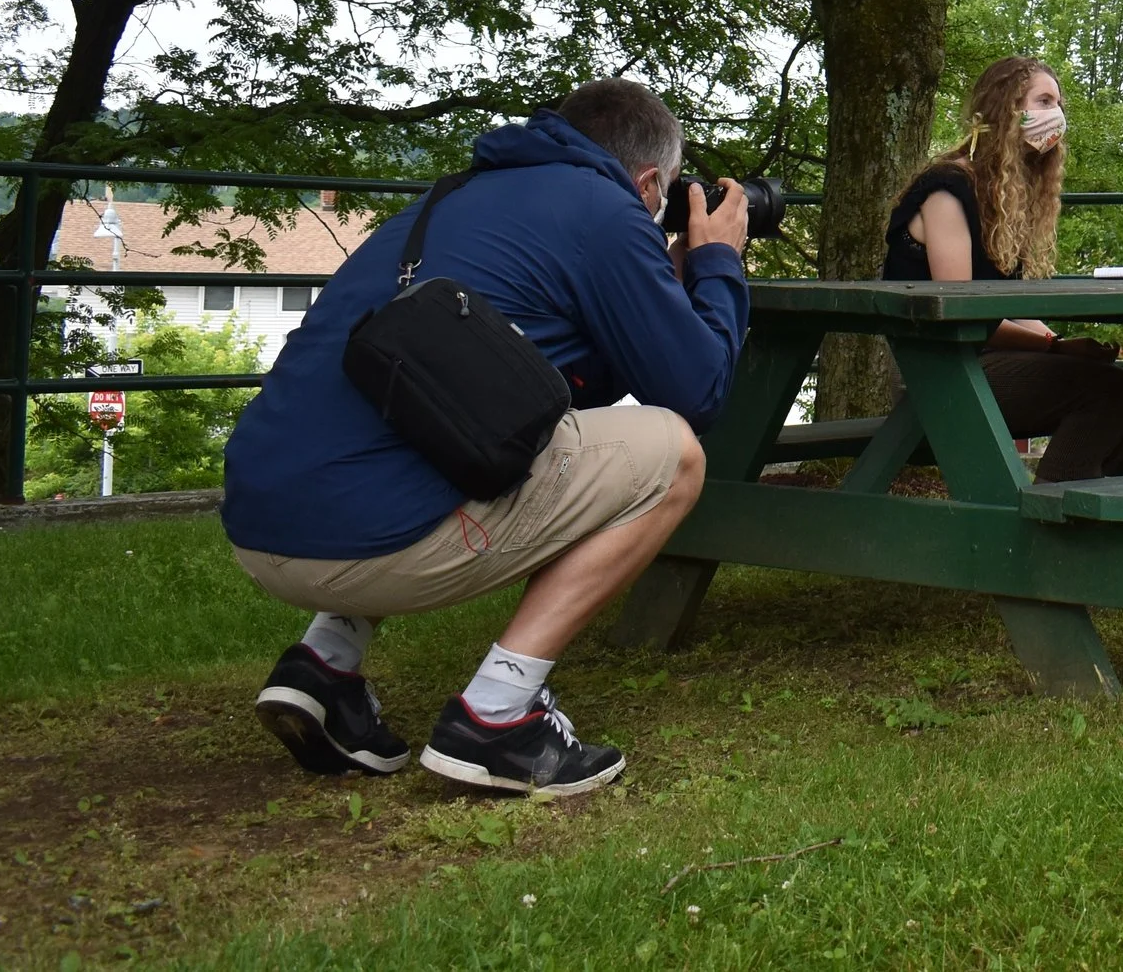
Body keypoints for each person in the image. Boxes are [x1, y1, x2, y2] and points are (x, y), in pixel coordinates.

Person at [221, 80, 749, 798]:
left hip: (257, 524)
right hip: (372, 545)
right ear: (650, 181)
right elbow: (699, 391)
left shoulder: (449, 196)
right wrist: (717, 262)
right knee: (673, 454)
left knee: (431, 432)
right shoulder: (606, 212)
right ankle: (499, 716)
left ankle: (325, 667)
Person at [881, 55, 1123, 481]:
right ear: (1007, 108)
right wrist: (1053, 349)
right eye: (1045, 100)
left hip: (985, 359)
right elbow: (962, 310)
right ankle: (1053, 517)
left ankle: (1098, 511)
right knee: (1111, 391)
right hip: (942, 370)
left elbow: (1007, 301)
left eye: (1059, 103)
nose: (1057, 114)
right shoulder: (948, 189)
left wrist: (1057, 340)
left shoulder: (1006, 194)